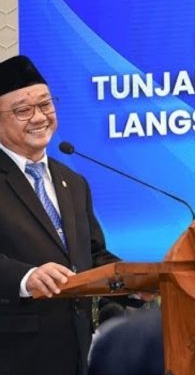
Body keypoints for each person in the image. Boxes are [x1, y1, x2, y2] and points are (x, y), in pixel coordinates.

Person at [0, 55, 120, 375]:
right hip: (14, 354)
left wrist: (133, 283)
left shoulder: (72, 181)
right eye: (23, 110)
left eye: (45, 104)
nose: (40, 117)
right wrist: (24, 278)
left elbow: (92, 254)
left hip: (77, 351)